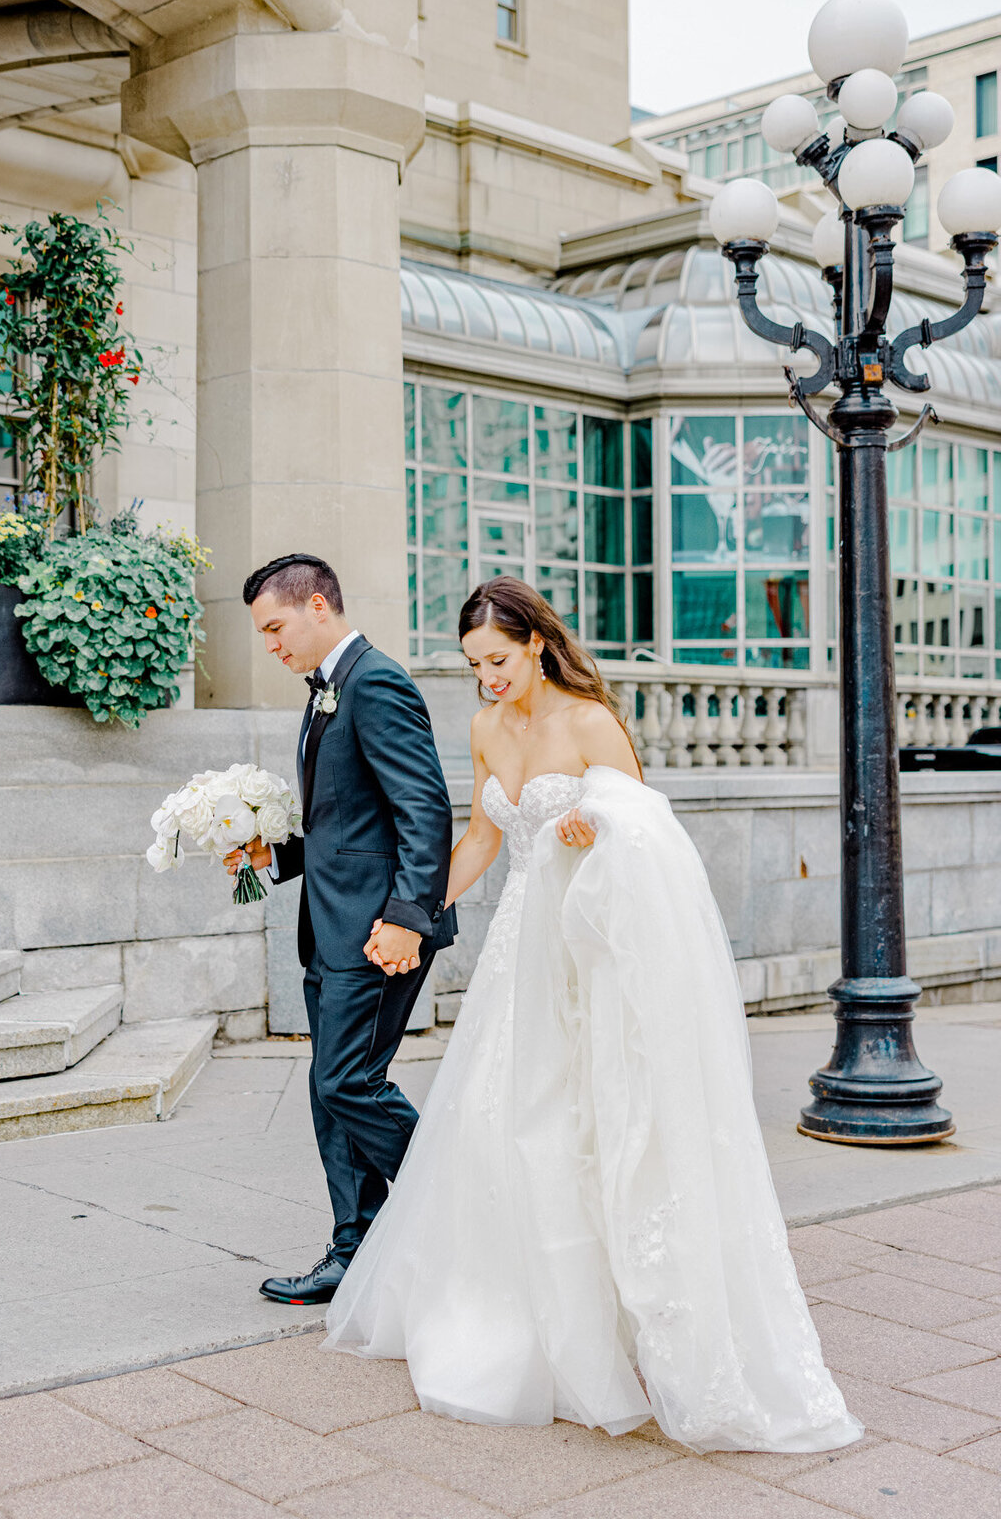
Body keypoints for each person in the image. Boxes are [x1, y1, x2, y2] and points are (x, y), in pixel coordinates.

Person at [324, 576, 861, 1455]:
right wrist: (415, 921)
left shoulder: (587, 720)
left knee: (594, 1120)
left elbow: (647, 827)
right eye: (472, 665)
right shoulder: (486, 727)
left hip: (594, 953)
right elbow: (485, 836)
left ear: (536, 642)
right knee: (509, 1120)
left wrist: (594, 825)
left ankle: (626, 1318)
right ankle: (519, 1317)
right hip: (519, 954)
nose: (487, 677)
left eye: (497, 659)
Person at [226, 554, 457, 1305]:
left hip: (377, 933)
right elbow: (345, 825)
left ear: (318, 604)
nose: (270, 645)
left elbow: (424, 811)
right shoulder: (325, 693)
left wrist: (406, 920)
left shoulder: (376, 682)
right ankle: (354, 1249)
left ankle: (463, 1203)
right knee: (331, 1094)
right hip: (330, 928)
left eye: (274, 627)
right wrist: (273, 855)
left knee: (346, 1081)